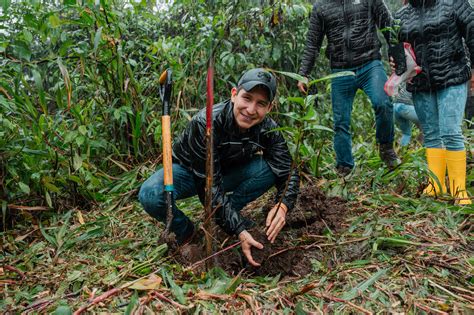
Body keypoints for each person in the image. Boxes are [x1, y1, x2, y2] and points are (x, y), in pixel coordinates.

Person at [139, 68, 300, 266]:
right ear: (234, 95)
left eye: (261, 104)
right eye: (247, 98)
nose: (251, 110)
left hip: (228, 172)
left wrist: (282, 206)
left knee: (270, 168)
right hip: (191, 173)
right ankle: (187, 231)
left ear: (269, 107)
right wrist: (240, 230)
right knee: (150, 194)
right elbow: (208, 187)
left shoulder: (269, 129)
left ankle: (226, 214)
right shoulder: (206, 123)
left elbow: (288, 170)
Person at [297, 0, 400, 176]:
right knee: (340, 121)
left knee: (382, 103)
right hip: (340, 69)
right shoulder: (321, 6)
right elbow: (312, 42)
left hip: (370, 64)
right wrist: (303, 73)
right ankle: (344, 166)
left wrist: (397, 56)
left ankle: (386, 148)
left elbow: (388, 26)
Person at [392, 0, 473, 205]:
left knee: (450, 132)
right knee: (431, 135)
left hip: (452, 77)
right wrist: (397, 61)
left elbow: (472, 31)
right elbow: (395, 46)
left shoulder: (454, 3)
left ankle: (458, 190)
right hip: (420, 82)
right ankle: (436, 184)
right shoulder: (402, 14)